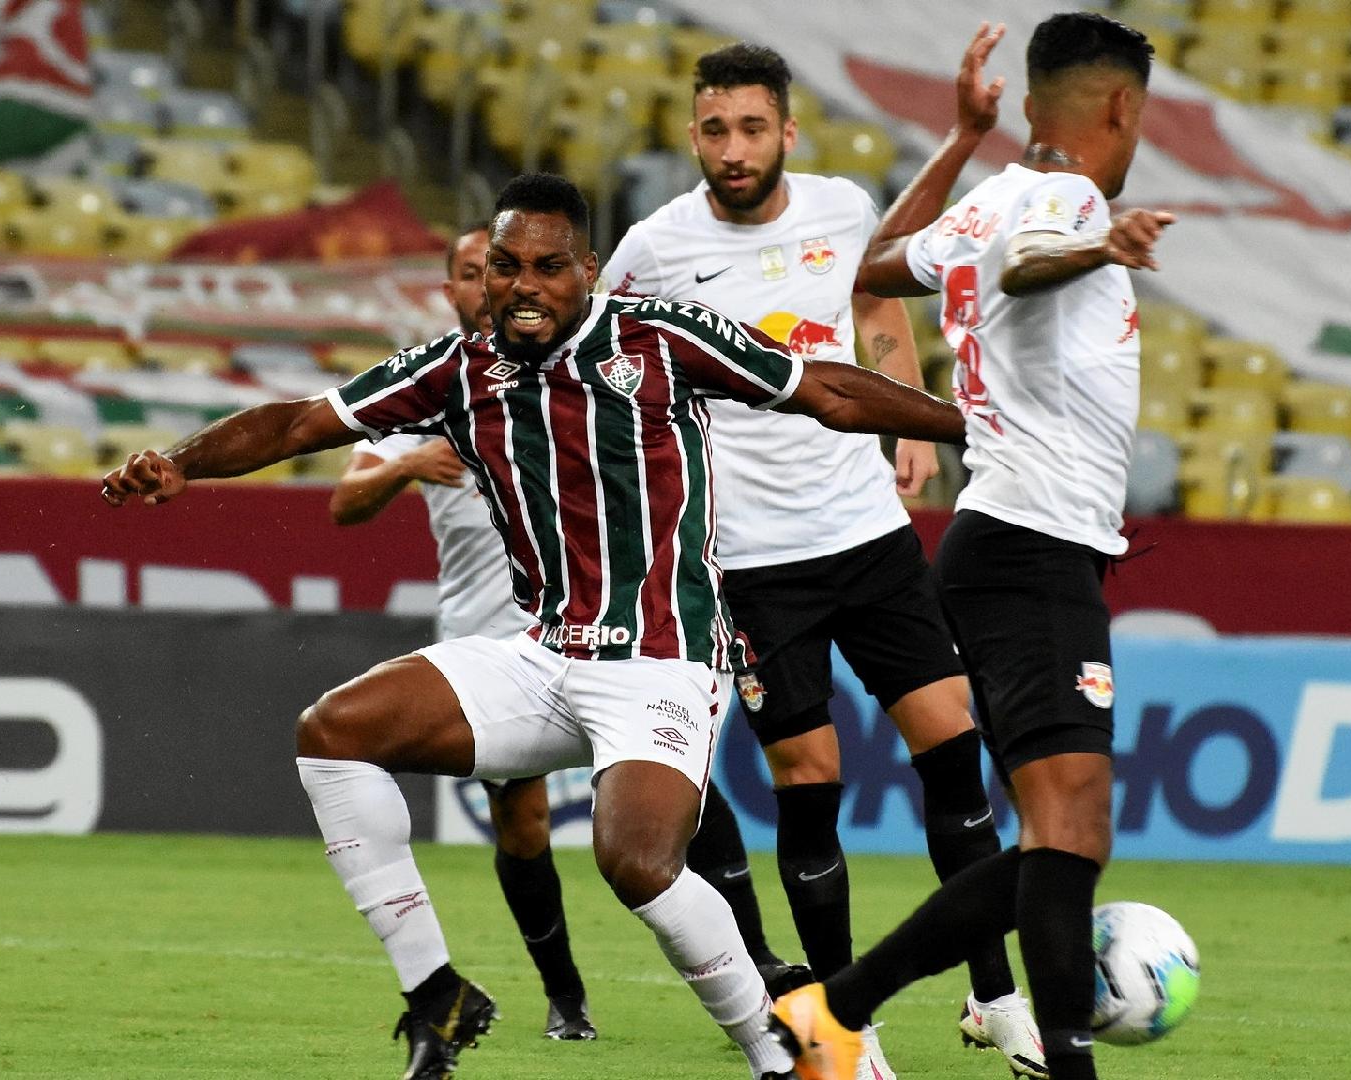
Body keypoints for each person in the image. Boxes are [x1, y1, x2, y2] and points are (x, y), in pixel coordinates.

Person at [101, 173, 978, 1080]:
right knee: (333, 733)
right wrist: (180, 463)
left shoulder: (660, 337)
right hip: (546, 654)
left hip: (662, 657)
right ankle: (435, 991)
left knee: (635, 861)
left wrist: (968, 427)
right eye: (506, 265)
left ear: (588, 270)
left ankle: (792, 1054)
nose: (525, 285)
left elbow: (827, 390)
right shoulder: (456, 368)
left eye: (549, 267)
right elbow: (298, 424)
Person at [601, 43, 1040, 1078]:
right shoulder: (652, 249)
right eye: (716, 130)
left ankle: (994, 996)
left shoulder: (842, 208)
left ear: (787, 132)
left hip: (869, 536)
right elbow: (598, 354)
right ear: (693, 136)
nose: (734, 148)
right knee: (811, 779)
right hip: (753, 562)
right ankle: (846, 1022)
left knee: (954, 749)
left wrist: (909, 418)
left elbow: (877, 298)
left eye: (753, 128)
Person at [770, 16, 1174, 1080]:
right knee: (1070, 829)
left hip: (1009, 542)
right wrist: (1102, 246)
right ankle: (1048, 1058)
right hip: (1032, 544)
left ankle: (834, 1008)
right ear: (1123, 107)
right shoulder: (1067, 204)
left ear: (1029, 105)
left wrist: (957, 141)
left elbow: (867, 267)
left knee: (1062, 835)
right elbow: (1033, 266)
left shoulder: (988, 199)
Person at [332, 224, 807, 1046]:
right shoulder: (437, 385)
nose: (502, 284)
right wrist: (405, 464)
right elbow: (345, 500)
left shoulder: (599, 363)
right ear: (456, 289)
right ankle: (564, 997)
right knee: (522, 825)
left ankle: (759, 966)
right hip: (495, 637)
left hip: (621, 634)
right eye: (479, 271)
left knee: (674, 809)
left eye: (527, 267)